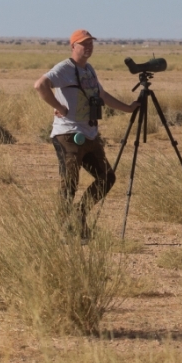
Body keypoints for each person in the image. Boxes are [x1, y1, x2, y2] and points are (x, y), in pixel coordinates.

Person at [34, 29, 140, 242]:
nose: (88, 47)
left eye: (91, 43)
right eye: (83, 44)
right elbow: (40, 85)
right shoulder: (65, 68)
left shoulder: (89, 69)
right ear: (73, 46)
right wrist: (58, 107)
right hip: (68, 134)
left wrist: (128, 108)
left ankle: (78, 215)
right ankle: (62, 231)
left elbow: (102, 95)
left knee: (107, 177)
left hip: (89, 134)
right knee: (70, 182)